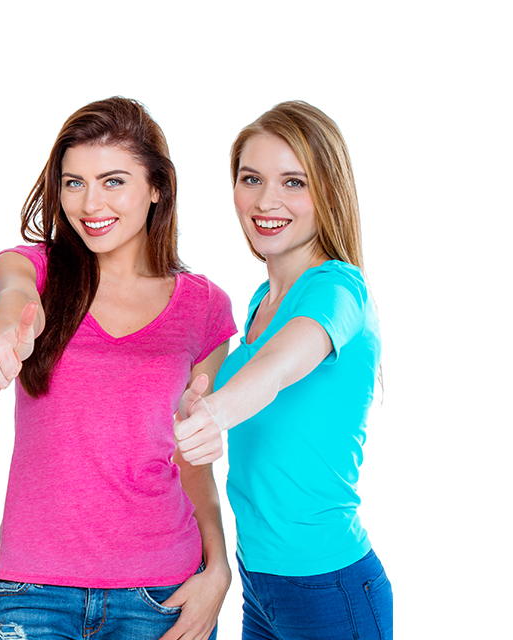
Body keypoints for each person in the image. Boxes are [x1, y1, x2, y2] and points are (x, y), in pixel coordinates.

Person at [0, 97, 233, 640]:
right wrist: (7, 338)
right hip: (35, 595)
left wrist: (218, 570)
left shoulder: (204, 307)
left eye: (113, 181)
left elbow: (193, 460)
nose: (90, 203)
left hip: (160, 594)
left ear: (156, 187)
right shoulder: (32, 268)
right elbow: (14, 297)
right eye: (73, 182)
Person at [173, 100, 392, 639]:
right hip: (263, 586)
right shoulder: (259, 303)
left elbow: (278, 367)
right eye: (252, 179)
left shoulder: (338, 289)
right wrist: (192, 408)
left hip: (330, 589)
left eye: (293, 182)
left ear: (327, 192)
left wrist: (215, 414)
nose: (266, 201)